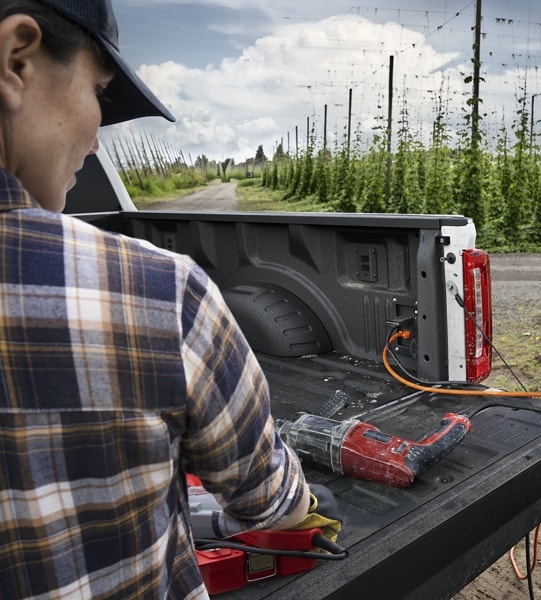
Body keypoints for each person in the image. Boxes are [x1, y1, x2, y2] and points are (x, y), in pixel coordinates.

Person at [0, 1, 312, 598]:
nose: (96, 140)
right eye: (98, 91)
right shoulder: (159, 293)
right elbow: (271, 500)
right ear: (17, 59)